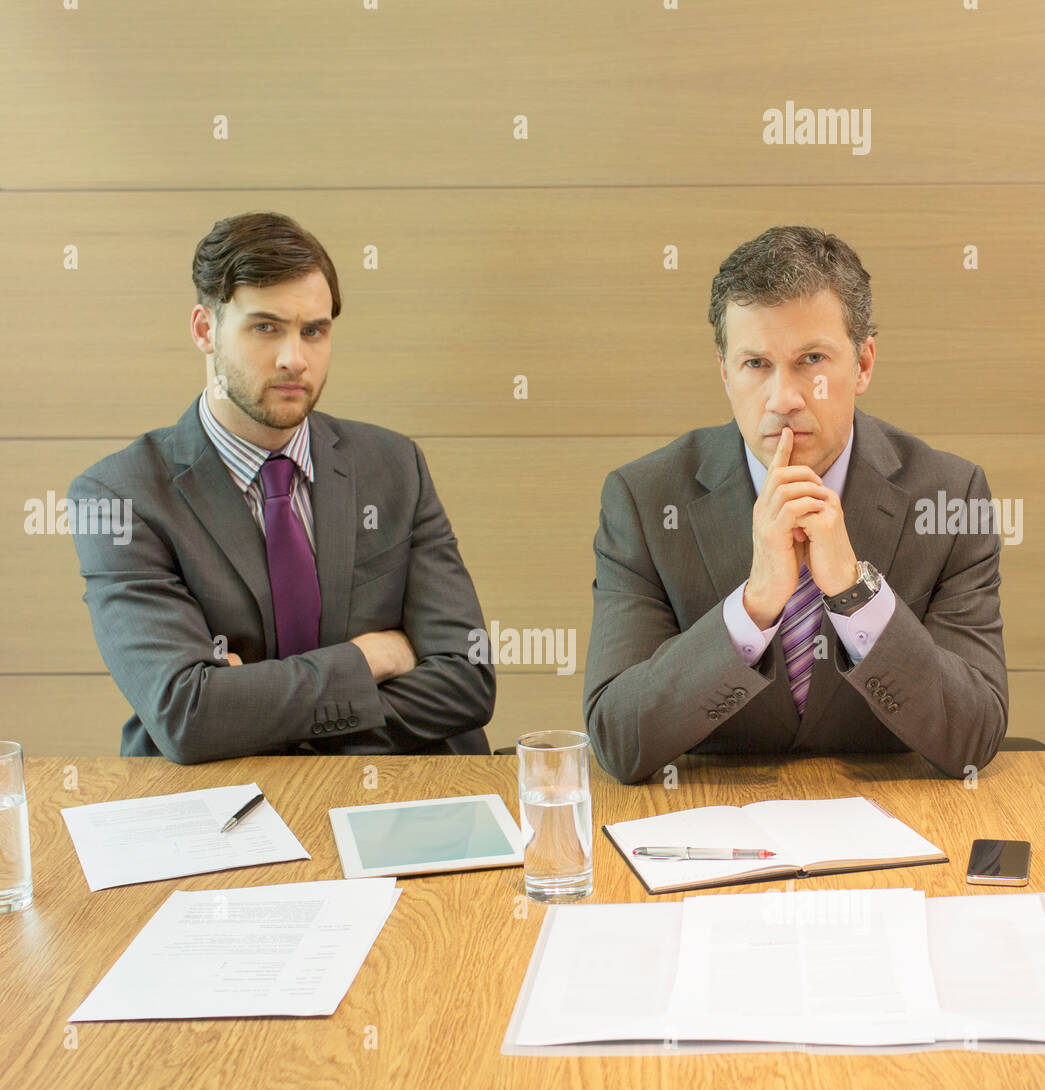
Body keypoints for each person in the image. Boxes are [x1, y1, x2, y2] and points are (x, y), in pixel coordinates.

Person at [583, 225, 1007, 784]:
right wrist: (755, 606)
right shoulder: (644, 499)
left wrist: (855, 595)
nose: (783, 399)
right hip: (708, 820)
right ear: (724, 372)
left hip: (897, 819)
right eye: (755, 364)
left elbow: (973, 737)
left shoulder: (951, 497)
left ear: (862, 365)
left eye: (811, 359)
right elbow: (618, 739)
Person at [68, 211, 495, 763]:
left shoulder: (395, 465)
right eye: (266, 327)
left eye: (313, 331)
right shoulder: (118, 497)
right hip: (217, 811)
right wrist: (366, 661)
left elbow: (466, 680)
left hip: (394, 797)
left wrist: (253, 713)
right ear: (205, 330)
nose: (295, 358)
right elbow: (188, 715)